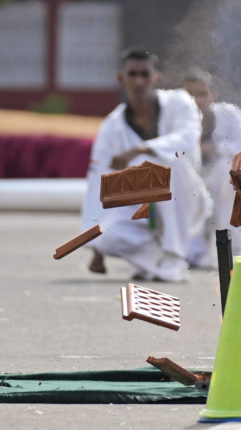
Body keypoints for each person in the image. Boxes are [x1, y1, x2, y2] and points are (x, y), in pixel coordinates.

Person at [80, 48, 211, 282]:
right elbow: (98, 181)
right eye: (132, 74)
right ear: (122, 79)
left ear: (156, 78)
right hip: (139, 208)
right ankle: (160, 265)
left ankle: (173, 256)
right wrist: (96, 247)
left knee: (169, 161)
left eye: (145, 74)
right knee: (107, 236)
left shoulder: (180, 102)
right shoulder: (112, 127)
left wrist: (142, 148)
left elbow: (188, 137)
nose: (139, 81)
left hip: (184, 200)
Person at [182, 69, 241, 263]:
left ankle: (231, 245)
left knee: (228, 170)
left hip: (221, 178)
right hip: (191, 178)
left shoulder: (229, 114)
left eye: (201, 94)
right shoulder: (175, 119)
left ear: (212, 95)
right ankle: (192, 249)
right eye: (190, 95)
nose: (196, 100)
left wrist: (215, 147)